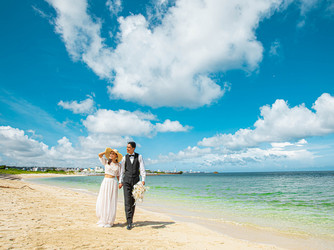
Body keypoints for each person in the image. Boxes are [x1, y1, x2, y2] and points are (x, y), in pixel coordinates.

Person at [119, 141, 146, 230]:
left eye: (129, 147)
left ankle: (131, 219)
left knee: (133, 202)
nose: (127, 149)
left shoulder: (139, 157)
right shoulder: (124, 158)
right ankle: (129, 222)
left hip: (135, 181)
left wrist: (143, 180)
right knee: (127, 201)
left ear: (133, 148)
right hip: (126, 181)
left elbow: (142, 169)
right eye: (126, 147)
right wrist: (120, 181)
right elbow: (122, 171)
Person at [96, 148, 123, 228]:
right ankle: (103, 219)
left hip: (113, 182)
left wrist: (120, 183)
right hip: (105, 181)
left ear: (116, 156)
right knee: (103, 199)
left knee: (111, 201)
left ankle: (109, 221)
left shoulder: (119, 165)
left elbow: (119, 175)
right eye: (110, 154)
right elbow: (99, 155)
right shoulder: (106, 162)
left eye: (113, 154)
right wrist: (106, 152)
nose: (111, 155)